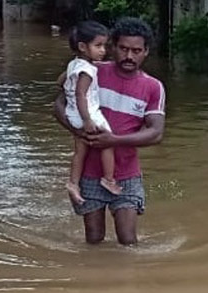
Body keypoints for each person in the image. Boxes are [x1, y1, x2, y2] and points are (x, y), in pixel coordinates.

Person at [54, 17, 166, 245]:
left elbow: (156, 133)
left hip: (127, 174)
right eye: (123, 49)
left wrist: (113, 140)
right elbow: (58, 105)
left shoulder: (153, 87)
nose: (129, 56)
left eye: (136, 51)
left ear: (146, 52)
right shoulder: (91, 71)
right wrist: (78, 132)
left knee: (128, 240)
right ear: (112, 47)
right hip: (89, 173)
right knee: (93, 239)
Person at [60, 21, 120, 204]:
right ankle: (108, 179)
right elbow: (80, 94)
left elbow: (60, 82)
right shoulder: (87, 70)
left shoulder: (73, 65)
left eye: (104, 46)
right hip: (86, 113)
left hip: (72, 113)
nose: (103, 50)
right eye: (98, 46)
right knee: (108, 141)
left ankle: (73, 184)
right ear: (82, 47)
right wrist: (87, 119)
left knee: (80, 151)